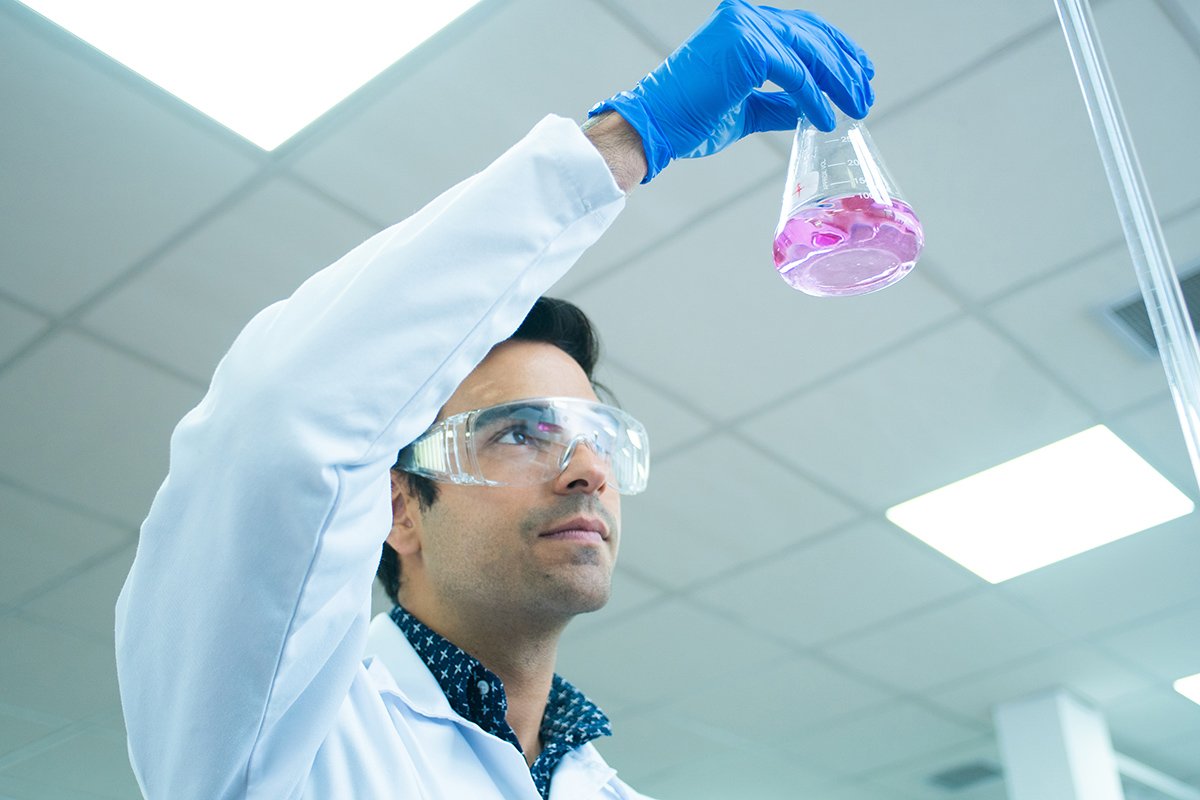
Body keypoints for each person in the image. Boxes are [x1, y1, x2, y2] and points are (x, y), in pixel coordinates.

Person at [114, 2, 875, 798]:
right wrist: (627, 140)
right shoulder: (275, 734)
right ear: (399, 508)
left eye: (598, 437)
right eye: (519, 433)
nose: (588, 472)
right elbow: (281, 420)